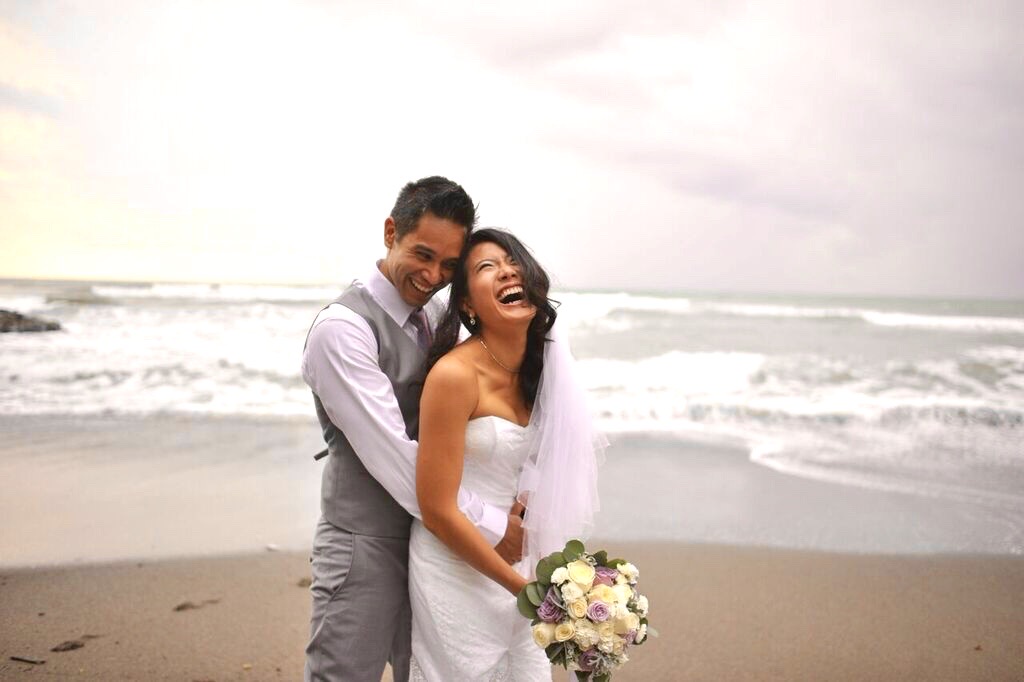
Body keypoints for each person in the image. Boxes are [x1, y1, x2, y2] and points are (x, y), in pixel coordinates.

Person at [301, 178, 526, 682]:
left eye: (449, 266)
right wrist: (490, 526)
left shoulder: (438, 315)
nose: (432, 276)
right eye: (422, 255)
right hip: (366, 543)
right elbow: (400, 458)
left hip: (436, 544)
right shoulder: (343, 330)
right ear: (390, 232)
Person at [409, 229, 602, 681]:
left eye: (511, 261)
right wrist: (527, 591)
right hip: (455, 571)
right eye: (486, 267)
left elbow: (546, 459)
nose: (507, 270)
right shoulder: (454, 376)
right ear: (467, 307)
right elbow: (436, 510)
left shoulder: (544, 369)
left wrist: (540, 570)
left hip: (521, 561)